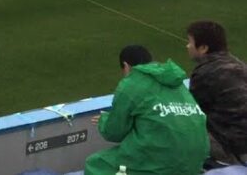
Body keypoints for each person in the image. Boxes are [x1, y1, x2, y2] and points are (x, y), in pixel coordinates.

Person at [81, 45, 209, 175]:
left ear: (126, 66)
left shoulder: (131, 83)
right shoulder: (177, 83)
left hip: (163, 161)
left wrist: (104, 120)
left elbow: (114, 133)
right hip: (196, 159)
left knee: (95, 164)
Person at [187, 21, 247, 167]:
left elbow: (191, 111)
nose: (187, 46)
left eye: (190, 42)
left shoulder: (205, 72)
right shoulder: (238, 64)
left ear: (203, 48)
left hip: (233, 145)